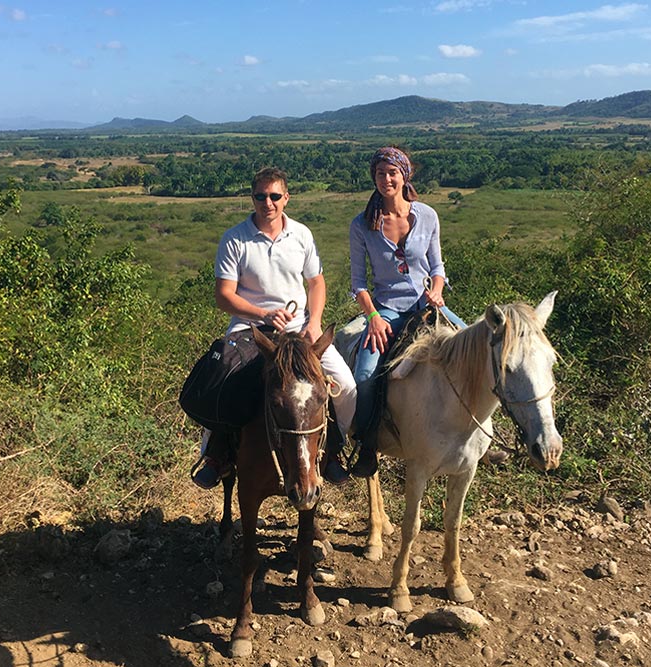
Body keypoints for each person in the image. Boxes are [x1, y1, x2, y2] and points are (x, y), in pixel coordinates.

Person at [192, 166, 356, 489]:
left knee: (347, 386)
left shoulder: (301, 235)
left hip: (299, 329)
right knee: (221, 378)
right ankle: (215, 453)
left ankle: (333, 449)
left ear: (286, 198)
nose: (268, 202)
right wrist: (263, 315)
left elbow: (316, 282)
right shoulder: (235, 239)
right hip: (250, 327)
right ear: (252, 198)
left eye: (274, 196)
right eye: (261, 196)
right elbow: (224, 296)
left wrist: (314, 322)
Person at [348, 147, 466, 478]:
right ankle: (367, 443)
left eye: (392, 173)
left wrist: (437, 290)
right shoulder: (362, 225)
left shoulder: (427, 216)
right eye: (380, 173)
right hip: (386, 309)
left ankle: (479, 436)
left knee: (479, 346)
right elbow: (358, 283)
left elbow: (437, 266)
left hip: (426, 306)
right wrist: (372, 317)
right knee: (364, 375)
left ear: (404, 176)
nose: (386, 179)